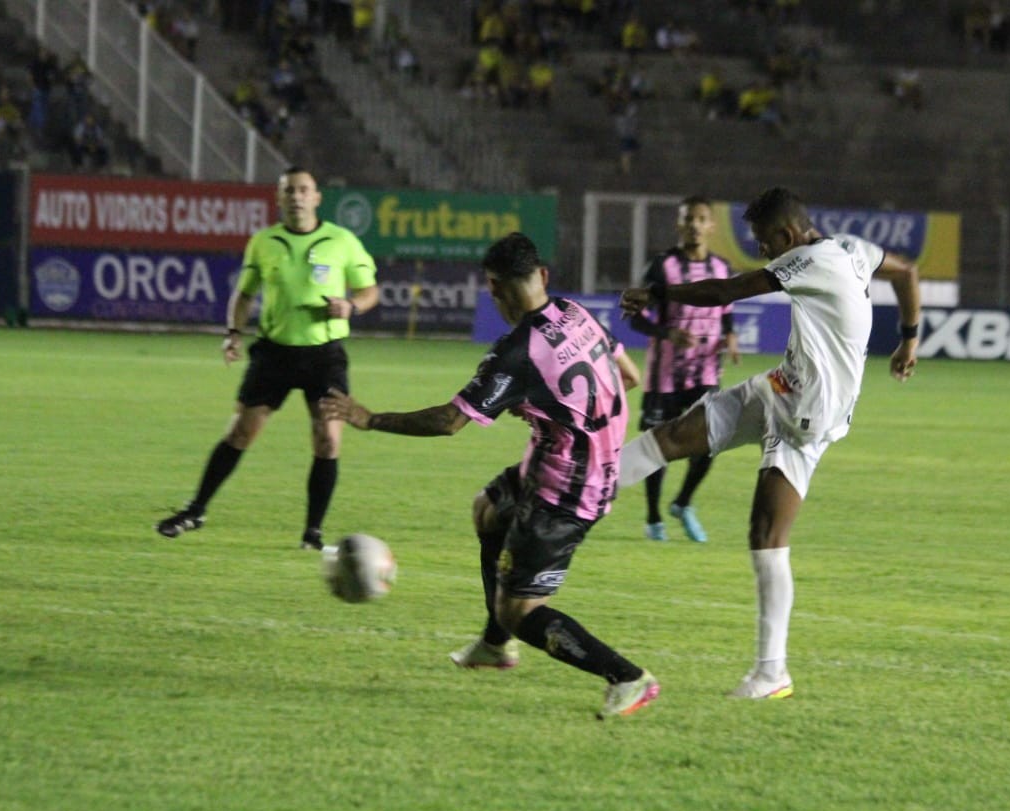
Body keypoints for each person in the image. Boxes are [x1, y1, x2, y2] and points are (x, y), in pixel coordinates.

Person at [319, 232, 660, 720]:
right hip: (569, 463)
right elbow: (628, 377)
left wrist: (370, 418)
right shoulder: (575, 312)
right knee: (488, 510)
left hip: (566, 490)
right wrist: (553, 408)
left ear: (495, 288)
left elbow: (449, 422)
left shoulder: (516, 351)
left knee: (521, 612)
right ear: (542, 276)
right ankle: (495, 647)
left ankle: (627, 677)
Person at [617, 187, 920, 700]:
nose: (761, 250)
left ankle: (771, 672)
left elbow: (725, 293)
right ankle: (580, 487)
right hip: (780, 386)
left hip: (806, 417)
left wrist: (660, 295)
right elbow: (909, 273)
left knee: (766, 535)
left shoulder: (809, 259)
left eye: (761, 240)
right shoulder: (852, 248)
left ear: (785, 234)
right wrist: (909, 337)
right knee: (670, 436)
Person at [156, 167, 379, 548]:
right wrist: (233, 333)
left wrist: (351, 306)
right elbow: (244, 295)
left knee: (327, 439)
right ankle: (196, 510)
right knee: (240, 432)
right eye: (289, 191)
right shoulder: (263, 242)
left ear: (317, 197)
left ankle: (313, 532)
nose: (296, 197)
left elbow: (370, 290)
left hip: (324, 356)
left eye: (303, 190)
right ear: (279, 198)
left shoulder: (341, 241)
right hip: (274, 353)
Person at [628, 195, 739, 543]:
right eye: (688, 218)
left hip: (705, 375)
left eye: (701, 218)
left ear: (711, 226)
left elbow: (726, 311)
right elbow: (633, 314)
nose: (694, 224)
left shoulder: (722, 268)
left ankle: (683, 503)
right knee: (656, 447)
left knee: (710, 442)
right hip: (664, 378)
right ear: (679, 224)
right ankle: (653, 518)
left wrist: (731, 335)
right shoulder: (662, 267)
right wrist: (666, 333)